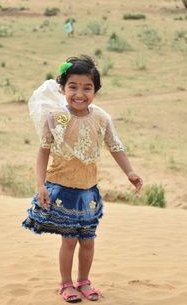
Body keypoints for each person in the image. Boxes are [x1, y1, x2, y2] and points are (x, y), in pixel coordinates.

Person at [22, 55, 143, 303]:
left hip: (88, 192)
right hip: (64, 189)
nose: (80, 93)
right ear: (63, 89)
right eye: (73, 87)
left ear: (96, 90)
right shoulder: (58, 117)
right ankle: (66, 284)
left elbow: (115, 146)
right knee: (69, 241)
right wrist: (41, 184)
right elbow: (43, 150)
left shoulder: (101, 118)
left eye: (87, 87)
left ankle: (84, 281)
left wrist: (129, 172)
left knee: (87, 241)